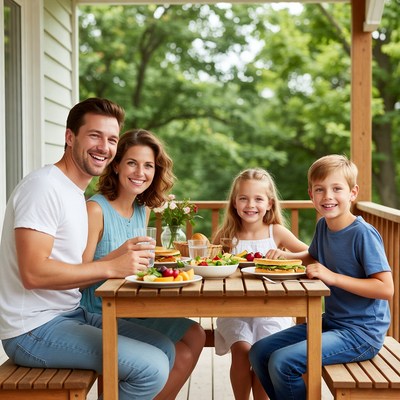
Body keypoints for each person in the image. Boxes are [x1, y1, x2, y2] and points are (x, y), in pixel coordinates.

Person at [0, 98, 176, 400]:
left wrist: (115, 257)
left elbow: (73, 268)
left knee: (165, 347)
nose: (104, 147)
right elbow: (33, 274)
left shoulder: (74, 192)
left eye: (111, 139)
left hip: (70, 313)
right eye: (94, 136)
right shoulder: (43, 187)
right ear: (70, 137)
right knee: (152, 367)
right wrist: (110, 267)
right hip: (32, 328)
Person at [249, 154, 394, 400]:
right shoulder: (323, 226)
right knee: (259, 352)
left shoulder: (363, 235)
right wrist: (286, 257)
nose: (327, 196)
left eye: (336, 188)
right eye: (320, 189)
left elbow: (385, 288)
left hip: (362, 333)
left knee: (283, 363)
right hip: (331, 322)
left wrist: (332, 277)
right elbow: (311, 255)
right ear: (311, 194)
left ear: (353, 192)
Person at [81, 128, 206, 400]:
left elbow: (138, 265)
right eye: (132, 163)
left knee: (195, 334)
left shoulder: (142, 209)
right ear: (115, 166)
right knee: (173, 350)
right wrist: (117, 258)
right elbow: (78, 278)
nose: (140, 172)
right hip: (98, 312)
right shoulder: (95, 210)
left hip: (134, 305)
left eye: (148, 165)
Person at [213, 168, 308, 400]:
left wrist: (286, 257)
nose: (250, 204)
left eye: (258, 199)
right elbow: (210, 261)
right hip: (234, 310)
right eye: (243, 198)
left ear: (269, 203)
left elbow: (309, 253)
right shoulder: (227, 235)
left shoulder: (276, 233)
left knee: (263, 354)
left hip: (272, 310)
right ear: (234, 203)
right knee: (243, 351)